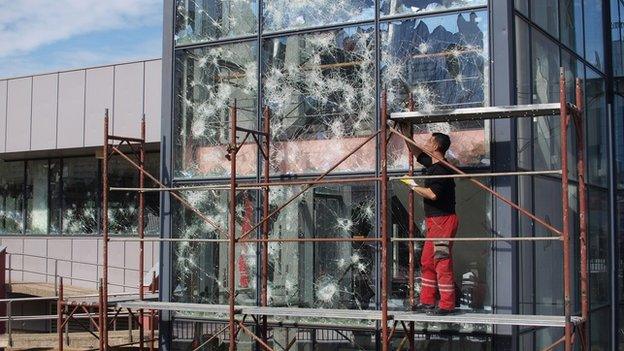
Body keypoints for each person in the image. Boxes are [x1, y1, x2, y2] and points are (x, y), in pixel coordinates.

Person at [399, 123, 458, 316]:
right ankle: (427, 301)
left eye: (429, 140)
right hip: (435, 221)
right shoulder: (433, 165)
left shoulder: (442, 170)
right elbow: (417, 152)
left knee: (441, 261)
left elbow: (432, 194)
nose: (426, 142)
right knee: (427, 261)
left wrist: (412, 185)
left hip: (443, 220)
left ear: (435, 146)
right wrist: (406, 133)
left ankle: (447, 305)